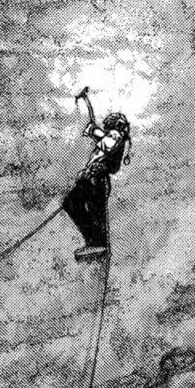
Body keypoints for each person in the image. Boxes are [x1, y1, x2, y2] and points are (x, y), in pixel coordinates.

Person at [63, 87, 132, 260]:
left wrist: (94, 129)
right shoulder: (112, 138)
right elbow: (103, 144)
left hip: (97, 181)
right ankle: (93, 242)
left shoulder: (115, 136)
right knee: (73, 203)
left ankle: (96, 244)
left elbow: (107, 143)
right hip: (91, 179)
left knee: (92, 212)